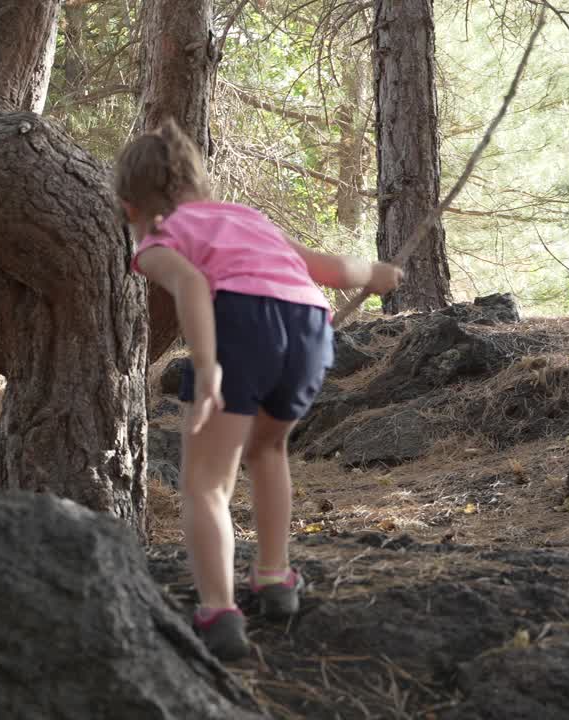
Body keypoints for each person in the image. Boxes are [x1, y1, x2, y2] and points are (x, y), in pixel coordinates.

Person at [116, 119, 402, 661]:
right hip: (308, 326)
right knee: (269, 450)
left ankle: (219, 612)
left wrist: (206, 365)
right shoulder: (248, 218)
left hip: (239, 326)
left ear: (131, 208)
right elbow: (324, 266)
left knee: (205, 484)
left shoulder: (156, 239)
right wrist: (377, 272)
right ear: (200, 187)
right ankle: (274, 577)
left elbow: (194, 284)